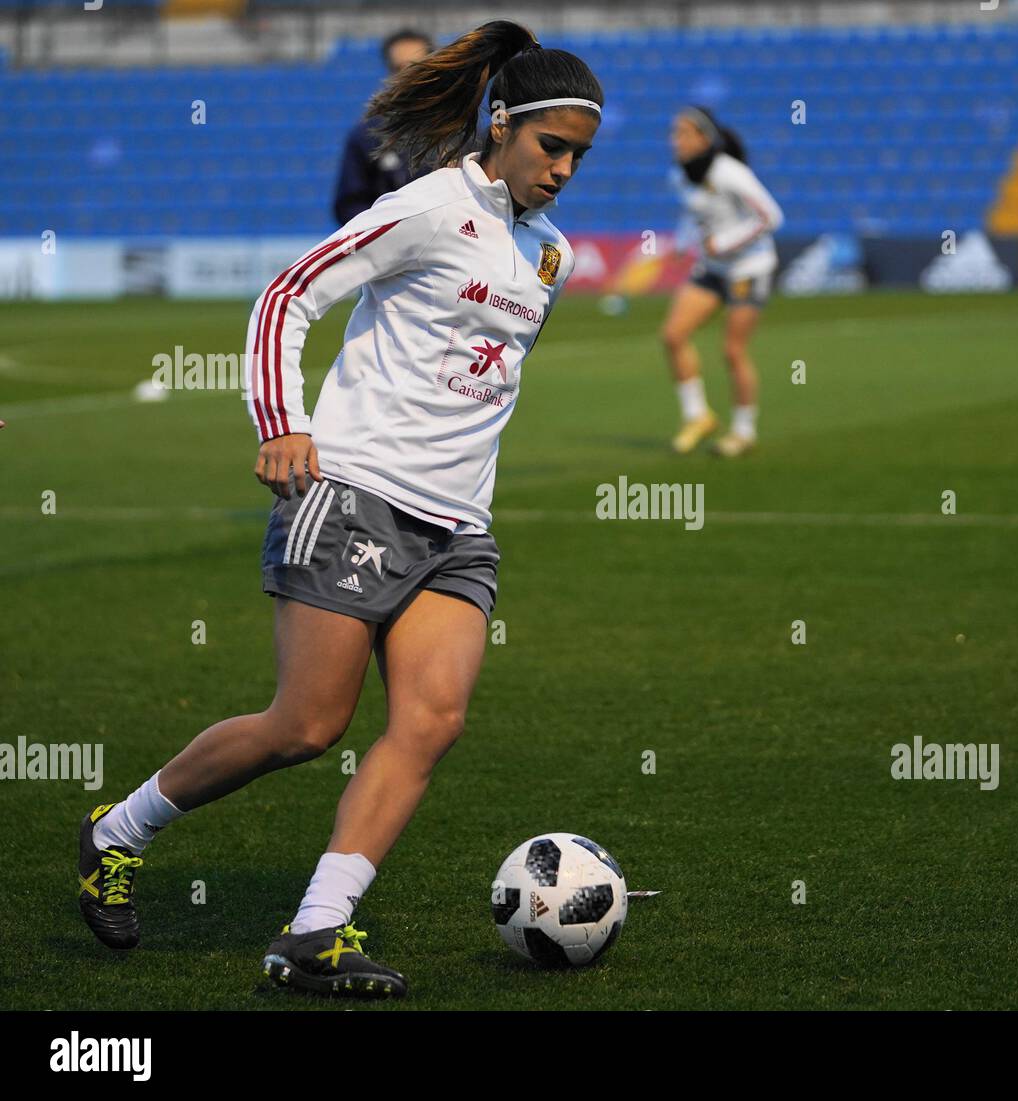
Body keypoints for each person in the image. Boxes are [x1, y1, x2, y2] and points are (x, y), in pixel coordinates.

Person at [76, 19, 602, 1000]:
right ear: (503, 124)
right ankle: (118, 832)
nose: (565, 169)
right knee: (306, 726)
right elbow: (288, 295)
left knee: (431, 724)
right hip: (355, 495)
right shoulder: (427, 207)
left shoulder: (551, 258)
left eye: (580, 153)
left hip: (459, 528)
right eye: (552, 146)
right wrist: (283, 421)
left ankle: (314, 930)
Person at [661, 105, 784, 457]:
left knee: (732, 350)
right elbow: (697, 217)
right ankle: (697, 416)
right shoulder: (681, 175)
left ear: (703, 138)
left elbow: (771, 216)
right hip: (713, 268)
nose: (675, 141)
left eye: (682, 133)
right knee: (673, 335)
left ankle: (743, 432)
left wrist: (726, 242)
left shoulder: (730, 172)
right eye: (674, 133)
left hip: (750, 268)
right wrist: (684, 244)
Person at [331, 28, 435, 226]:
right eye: (399, 69)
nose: (408, 76)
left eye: (416, 67)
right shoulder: (367, 136)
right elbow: (349, 205)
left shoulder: (461, 130)